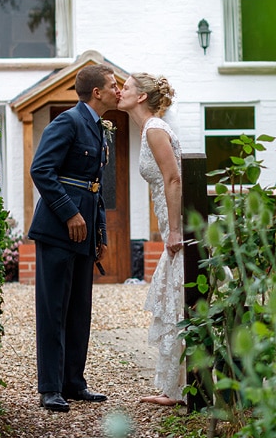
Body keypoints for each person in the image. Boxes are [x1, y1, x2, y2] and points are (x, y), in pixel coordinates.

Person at [27, 63, 120, 412]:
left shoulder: (97, 127)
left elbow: (94, 186)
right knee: (53, 309)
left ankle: (73, 382)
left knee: (79, 309)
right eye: (113, 86)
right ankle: (50, 388)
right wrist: (69, 213)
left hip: (84, 232)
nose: (118, 90)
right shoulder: (68, 121)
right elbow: (41, 170)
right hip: (57, 229)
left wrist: (100, 233)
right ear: (97, 92)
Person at [117, 72, 185, 406]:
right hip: (171, 224)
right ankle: (176, 389)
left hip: (179, 228)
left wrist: (173, 231)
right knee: (175, 302)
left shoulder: (155, 129)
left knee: (178, 302)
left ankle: (178, 390)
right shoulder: (149, 129)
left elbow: (174, 179)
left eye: (126, 87)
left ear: (141, 97)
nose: (120, 91)